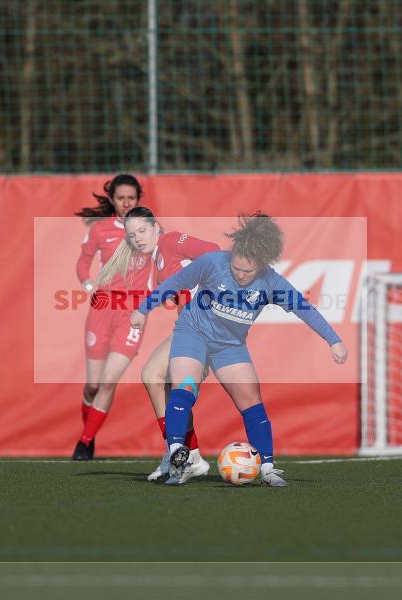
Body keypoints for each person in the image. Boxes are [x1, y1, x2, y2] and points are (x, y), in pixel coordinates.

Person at [131, 213, 348, 486]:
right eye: (236, 269)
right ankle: (177, 453)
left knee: (251, 399)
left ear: (262, 265)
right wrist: (143, 309)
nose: (241, 275)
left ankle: (267, 468)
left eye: (248, 271)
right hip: (193, 333)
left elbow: (303, 309)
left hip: (229, 346)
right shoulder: (213, 262)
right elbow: (175, 283)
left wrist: (333, 340)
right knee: (184, 386)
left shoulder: (271, 282)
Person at [114, 208, 221, 482]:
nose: (138, 238)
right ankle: (187, 455)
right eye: (131, 235)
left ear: (156, 227)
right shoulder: (158, 259)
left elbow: (214, 251)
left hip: (203, 326)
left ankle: (178, 452)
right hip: (191, 328)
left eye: (142, 230)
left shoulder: (170, 241)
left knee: (155, 376)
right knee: (164, 383)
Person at [72, 174, 145, 460]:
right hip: (102, 310)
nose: (126, 203)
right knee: (93, 385)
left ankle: (85, 441)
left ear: (138, 199)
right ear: (112, 200)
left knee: (109, 381)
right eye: (121, 198)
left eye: (131, 198)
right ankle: (88, 429)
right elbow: (83, 263)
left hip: (133, 314)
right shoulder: (100, 230)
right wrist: (90, 287)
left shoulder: (151, 229)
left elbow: (166, 262)